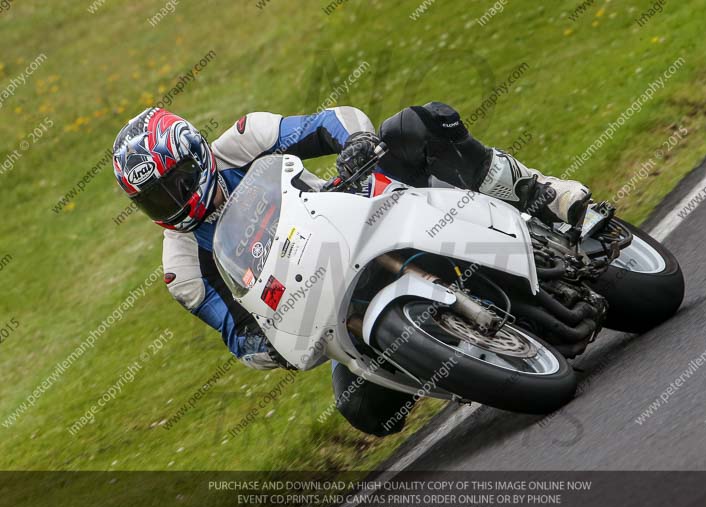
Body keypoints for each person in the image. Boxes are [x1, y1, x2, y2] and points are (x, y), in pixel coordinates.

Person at [111, 102, 591, 436]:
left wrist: (357, 142)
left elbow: (331, 122)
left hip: (363, 211)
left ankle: (541, 192)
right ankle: (458, 359)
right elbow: (238, 335)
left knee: (414, 126)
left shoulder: (243, 139)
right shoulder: (182, 270)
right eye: (153, 198)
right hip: (331, 301)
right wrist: (267, 347)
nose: (171, 202)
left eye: (174, 183)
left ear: (195, 155)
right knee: (362, 410)